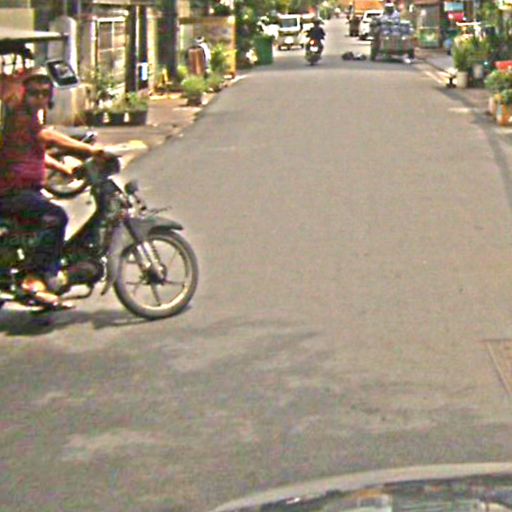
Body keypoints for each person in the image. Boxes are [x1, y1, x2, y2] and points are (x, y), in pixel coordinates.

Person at [0, 68, 105, 308]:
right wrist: (90, 150)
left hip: (24, 191)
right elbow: (46, 138)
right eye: (33, 93)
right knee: (56, 217)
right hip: (12, 192)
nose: (39, 98)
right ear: (23, 94)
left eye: (44, 94)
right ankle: (36, 279)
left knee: (42, 222)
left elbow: (36, 153)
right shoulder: (20, 117)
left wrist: (64, 168)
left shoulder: (29, 118)